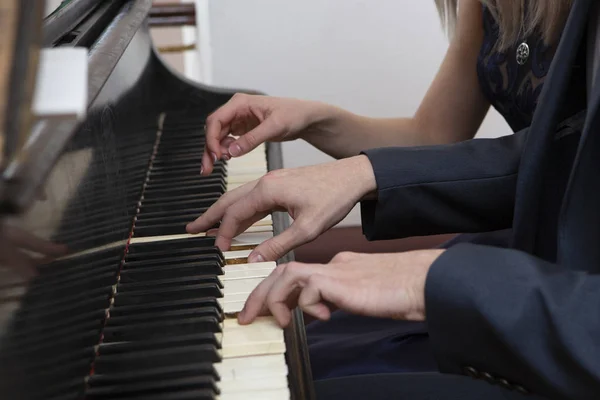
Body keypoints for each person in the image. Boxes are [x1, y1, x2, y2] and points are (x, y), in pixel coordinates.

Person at [187, 0, 600, 398]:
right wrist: (321, 124)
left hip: (561, 304)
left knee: (304, 375)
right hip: (526, 257)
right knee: (298, 348)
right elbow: (441, 136)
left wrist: (436, 280)